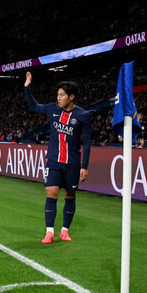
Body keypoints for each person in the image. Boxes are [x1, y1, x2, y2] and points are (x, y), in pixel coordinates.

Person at [24, 72, 92, 243]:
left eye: (62, 95)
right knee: (51, 192)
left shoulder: (83, 115)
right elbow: (34, 107)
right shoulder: (53, 109)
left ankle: (64, 230)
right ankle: (49, 232)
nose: (58, 98)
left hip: (72, 163)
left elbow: (88, 143)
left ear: (72, 97)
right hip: (54, 160)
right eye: (58, 95)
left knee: (70, 196)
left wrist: (84, 166)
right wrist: (27, 88)